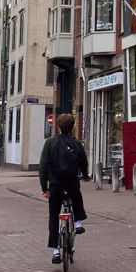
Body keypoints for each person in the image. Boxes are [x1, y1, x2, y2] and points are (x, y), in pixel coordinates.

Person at [38, 113, 89, 264]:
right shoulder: (76, 143)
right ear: (73, 127)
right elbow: (83, 162)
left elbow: (43, 166)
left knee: (54, 216)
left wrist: (44, 187)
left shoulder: (50, 143)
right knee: (76, 197)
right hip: (71, 183)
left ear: (58, 126)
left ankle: (55, 251)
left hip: (55, 185)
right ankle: (78, 222)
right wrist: (85, 175)